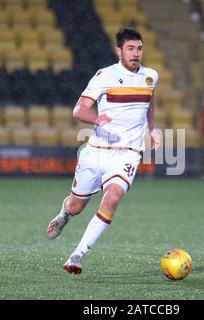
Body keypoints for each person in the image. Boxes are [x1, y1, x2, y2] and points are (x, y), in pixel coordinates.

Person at [46, 28, 161, 274]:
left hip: (128, 152)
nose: (136, 53)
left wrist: (152, 129)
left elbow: (149, 102)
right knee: (76, 206)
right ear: (118, 51)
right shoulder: (105, 76)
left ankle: (76, 255)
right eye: (130, 48)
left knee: (112, 198)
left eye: (139, 48)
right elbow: (79, 110)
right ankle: (64, 215)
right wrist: (97, 119)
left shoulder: (151, 76)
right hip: (97, 151)